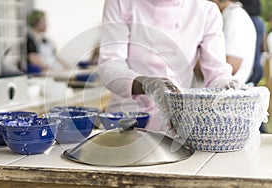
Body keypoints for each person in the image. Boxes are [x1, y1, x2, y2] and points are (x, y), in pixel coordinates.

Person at [98, 0, 239, 132]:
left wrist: (229, 87)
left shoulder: (206, 11)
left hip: (176, 122)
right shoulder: (121, 3)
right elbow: (109, 64)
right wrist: (145, 84)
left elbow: (217, 73)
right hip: (126, 119)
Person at [210, 0, 256, 85]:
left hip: (227, 92)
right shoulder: (231, 15)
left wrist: (194, 63)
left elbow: (232, 65)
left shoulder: (234, 17)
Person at [26, 9, 70, 73]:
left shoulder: (47, 39)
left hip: (53, 70)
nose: (46, 24)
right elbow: (34, 59)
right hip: (43, 72)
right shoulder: (30, 39)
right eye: (43, 21)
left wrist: (68, 67)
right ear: (35, 23)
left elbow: (56, 55)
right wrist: (54, 70)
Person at [240, 0, 267, 86]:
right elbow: (264, 47)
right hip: (257, 66)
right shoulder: (261, 22)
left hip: (244, 66)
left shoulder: (242, 19)